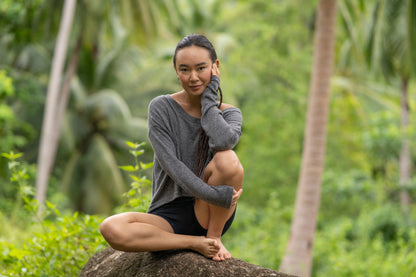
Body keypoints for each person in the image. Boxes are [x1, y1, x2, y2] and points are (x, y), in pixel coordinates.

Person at [100, 34, 244, 262]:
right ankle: (195, 243)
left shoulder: (230, 112)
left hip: (209, 212)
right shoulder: (161, 107)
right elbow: (173, 166)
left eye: (201, 68)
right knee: (111, 227)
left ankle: (214, 239)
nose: (193, 77)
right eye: (184, 69)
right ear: (176, 71)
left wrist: (209, 99)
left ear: (215, 67)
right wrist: (218, 195)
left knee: (228, 159)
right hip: (168, 214)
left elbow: (223, 142)